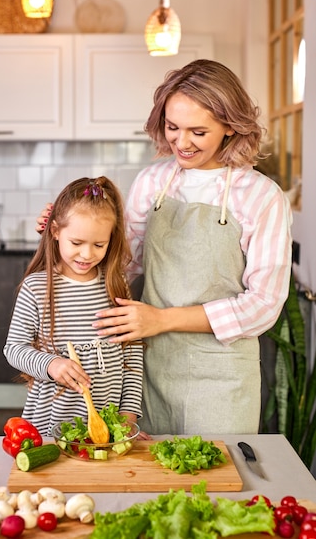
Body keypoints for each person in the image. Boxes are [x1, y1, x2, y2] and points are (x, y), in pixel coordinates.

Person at [37, 59, 293, 437]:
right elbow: (122, 267)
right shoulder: (153, 182)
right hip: (147, 369)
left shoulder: (261, 196)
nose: (182, 142)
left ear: (230, 127)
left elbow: (263, 306)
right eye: (172, 127)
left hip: (221, 378)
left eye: (198, 131)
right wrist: (66, 238)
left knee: (214, 487)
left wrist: (161, 320)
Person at [4, 176, 146, 438]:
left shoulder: (116, 284)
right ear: (55, 231)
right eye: (77, 243)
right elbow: (14, 349)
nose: (87, 254)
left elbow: (132, 356)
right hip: (49, 426)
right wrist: (52, 364)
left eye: (99, 245)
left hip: (109, 423)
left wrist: (128, 415)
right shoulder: (37, 287)